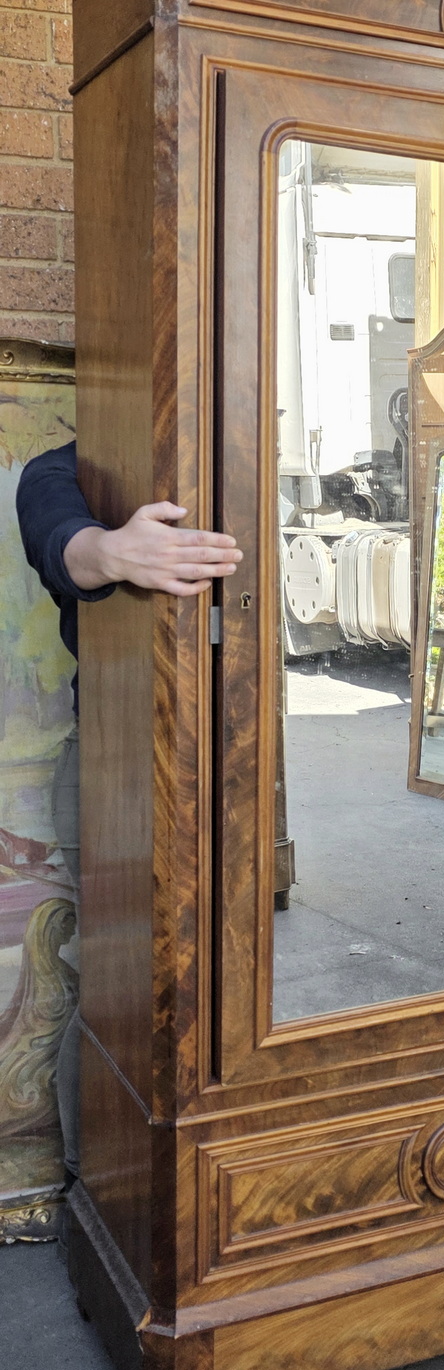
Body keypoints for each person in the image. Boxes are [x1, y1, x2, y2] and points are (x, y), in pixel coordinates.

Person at [16, 439, 243, 1184]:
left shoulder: (231, 457)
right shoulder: (60, 468)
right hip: (116, 766)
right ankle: (95, 1193)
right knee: (118, 992)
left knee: (232, 983)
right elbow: (64, 547)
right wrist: (115, 552)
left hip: (232, 762)